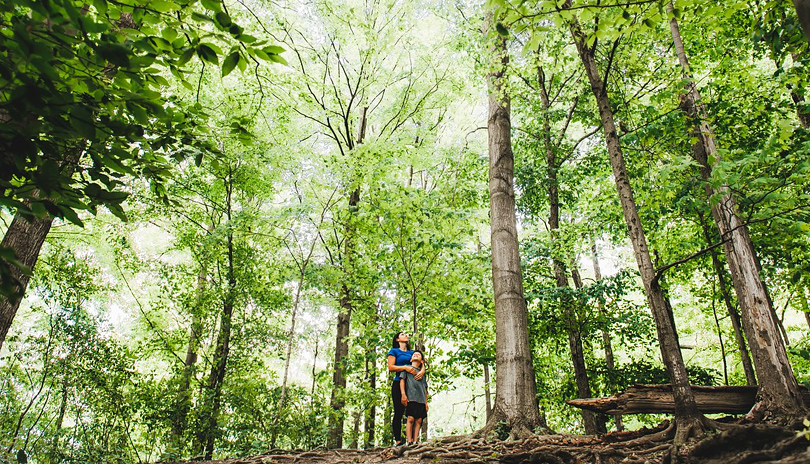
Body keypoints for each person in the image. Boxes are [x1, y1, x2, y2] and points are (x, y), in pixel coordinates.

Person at [387, 332, 425, 446]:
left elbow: (421, 361)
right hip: (399, 383)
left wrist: (422, 371)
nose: (406, 335)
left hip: (413, 386)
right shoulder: (394, 351)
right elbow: (391, 367)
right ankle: (398, 441)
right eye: (403, 334)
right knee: (398, 412)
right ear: (398, 339)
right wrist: (405, 368)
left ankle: (413, 441)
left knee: (413, 414)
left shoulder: (412, 352)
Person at [400, 350, 429, 445]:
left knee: (419, 420)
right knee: (410, 418)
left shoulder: (422, 373)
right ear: (411, 358)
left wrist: (426, 402)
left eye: (419, 355)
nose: (416, 355)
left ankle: (416, 440)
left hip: (421, 399)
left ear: (421, 361)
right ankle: (409, 441)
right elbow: (402, 381)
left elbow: (425, 388)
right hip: (411, 397)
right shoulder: (407, 368)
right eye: (414, 354)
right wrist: (403, 394)